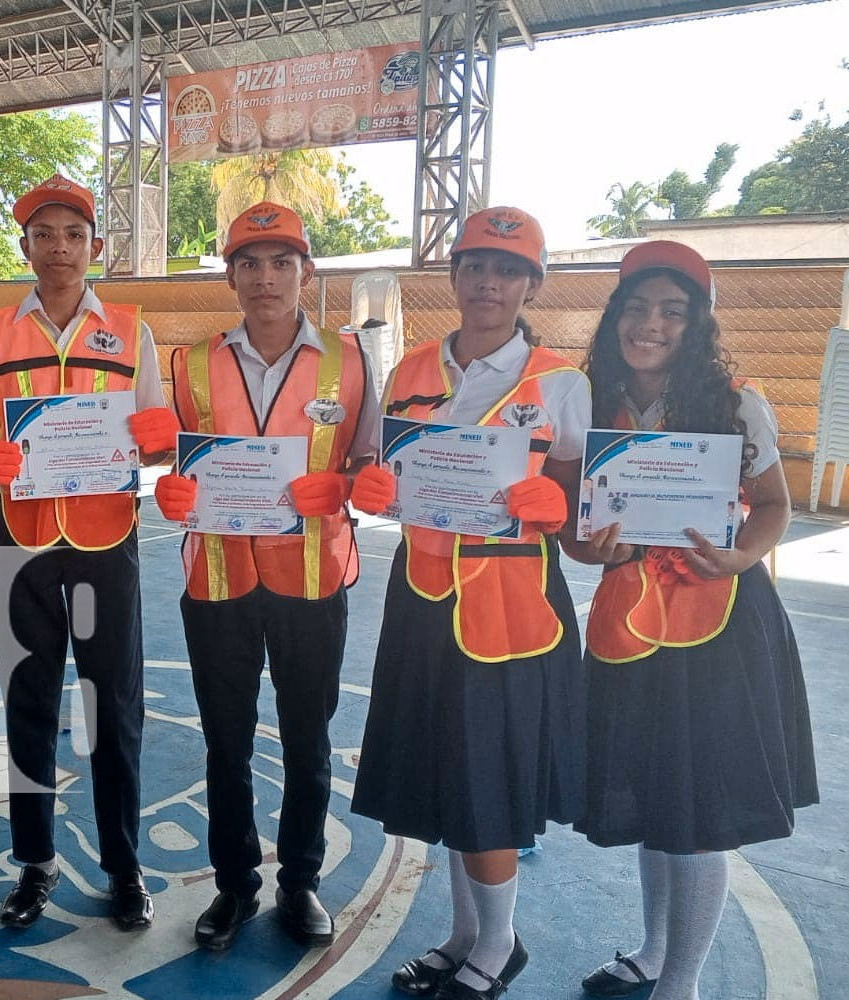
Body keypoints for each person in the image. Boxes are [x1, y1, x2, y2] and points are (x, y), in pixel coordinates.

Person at [347, 207, 591, 1000]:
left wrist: (558, 505)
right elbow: (391, 476)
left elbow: (589, 502)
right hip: (421, 600)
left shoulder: (561, 380)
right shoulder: (411, 369)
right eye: (475, 266)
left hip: (511, 613)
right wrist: (372, 492)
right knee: (448, 777)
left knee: (487, 785)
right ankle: (462, 936)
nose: (489, 282)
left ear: (531, 284)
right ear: (452, 276)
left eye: (509, 269)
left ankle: (499, 947)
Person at [572, 241, 817, 1000]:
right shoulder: (590, 400)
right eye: (637, 307)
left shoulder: (736, 400)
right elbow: (577, 535)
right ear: (615, 316)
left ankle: (683, 984)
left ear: (697, 322)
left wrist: (743, 557)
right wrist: (590, 548)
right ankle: (651, 953)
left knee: (698, 810)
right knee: (654, 798)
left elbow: (773, 506)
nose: (651, 324)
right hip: (628, 627)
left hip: (719, 630)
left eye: (672, 311)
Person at [150, 203, 379, 951]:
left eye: (282, 261)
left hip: (312, 577)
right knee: (226, 741)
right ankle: (235, 886)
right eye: (250, 262)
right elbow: (168, 457)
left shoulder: (349, 362)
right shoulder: (189, 364)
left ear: (307, 273)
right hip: (216, 578)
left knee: (308, 739)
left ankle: (301, 883)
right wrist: (169, 487)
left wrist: (345, 485)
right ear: (231, 277)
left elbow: (371, 462)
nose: (266, 277)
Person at [0, 174, 177, 932]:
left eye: (73, 234)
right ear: (24, 245)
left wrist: (159, 441)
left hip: (105, 536)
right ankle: (35, 862)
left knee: (114, 705)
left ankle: (123, 866)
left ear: (95, 246)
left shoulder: (131, 327)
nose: (59, 248)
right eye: (44, 234)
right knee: (28, 700)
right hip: (20, 538)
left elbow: (156, 430)